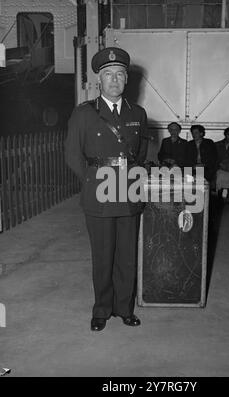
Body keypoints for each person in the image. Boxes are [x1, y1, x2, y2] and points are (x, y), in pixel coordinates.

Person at [65, 47, 148, 331]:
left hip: (128, 193)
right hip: (99, 194)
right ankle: (101, 310)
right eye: (108, 74)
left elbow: (140, 152)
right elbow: (72, 155)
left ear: (127, 80)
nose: (114, 80)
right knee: (103, 256)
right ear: (98, 81)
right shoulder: (84, 113)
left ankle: (124, 308)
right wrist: (94, 182)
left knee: (127, 256)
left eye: (120, 74)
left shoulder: (138, 112)